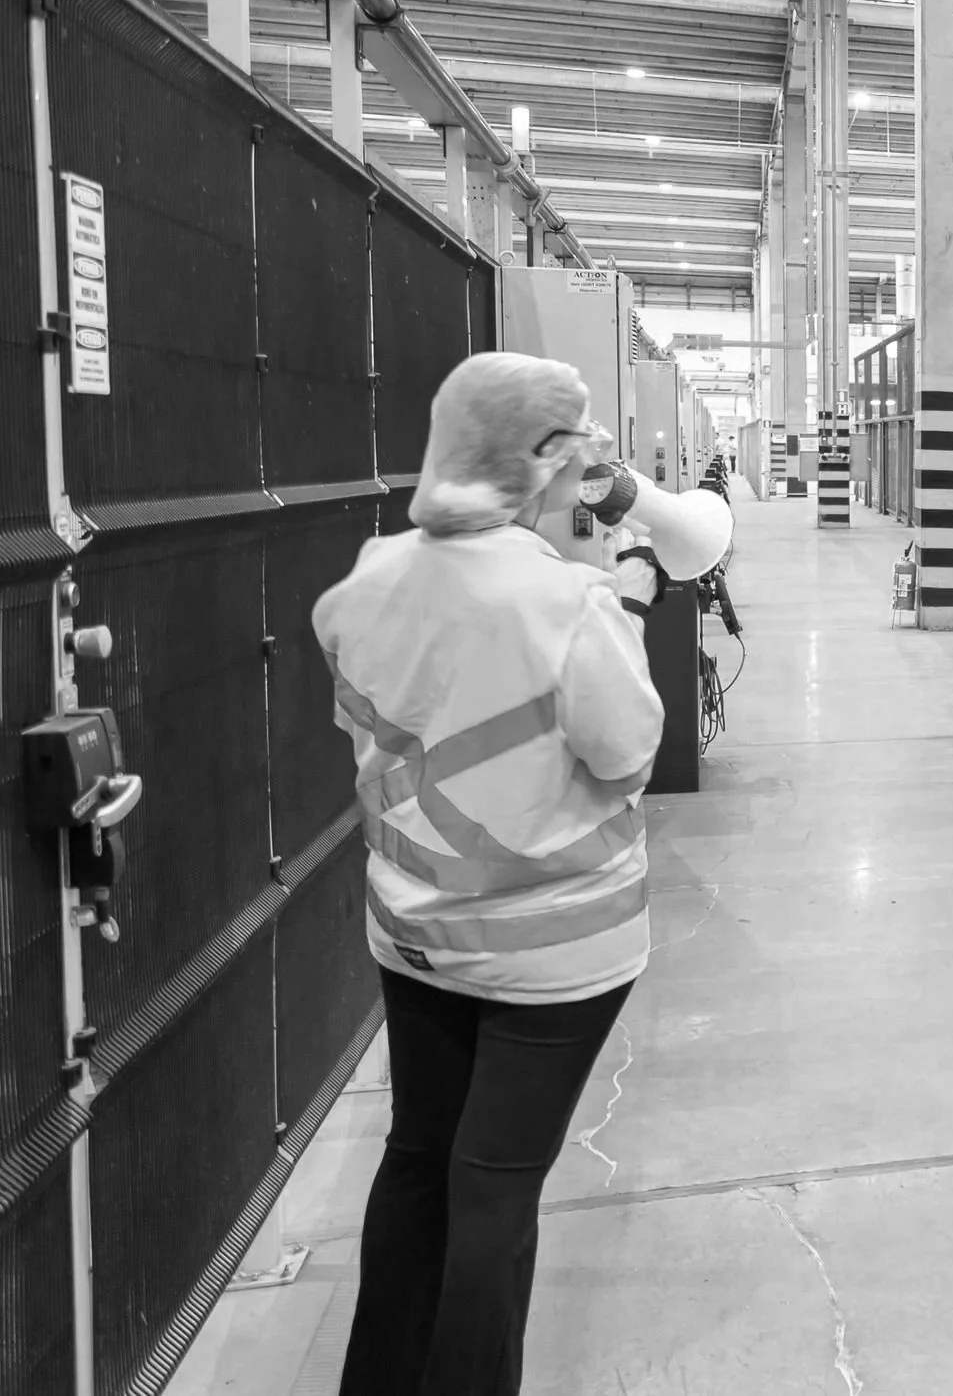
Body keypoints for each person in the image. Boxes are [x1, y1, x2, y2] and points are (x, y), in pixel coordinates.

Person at [316, 353, 665, 1396]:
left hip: (415, 938)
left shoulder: (362, 580)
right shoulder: (567, 605)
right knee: (496, 1196)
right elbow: (626, 752)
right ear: (545, 459)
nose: (589, 477)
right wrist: (623, 602)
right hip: (552, 959)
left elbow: (392, 721)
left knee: (419, 1160)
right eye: (582, 454)